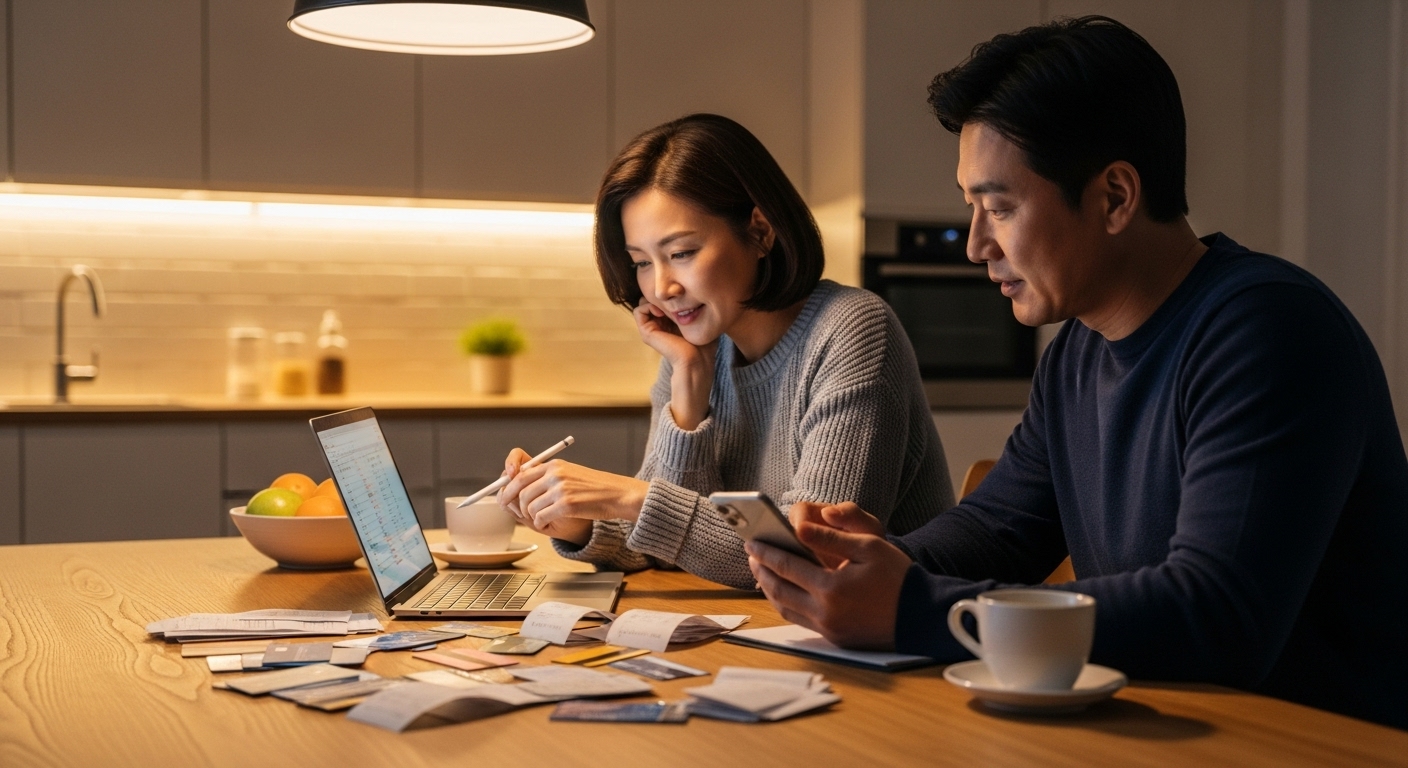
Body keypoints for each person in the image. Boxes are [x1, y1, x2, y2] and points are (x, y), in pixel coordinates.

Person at [745, 17, 1408, 729]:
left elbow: (1219, 616)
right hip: (1168, 734)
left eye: (998, 207)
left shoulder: (1268, 329)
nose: (975, 246)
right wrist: (858, 564)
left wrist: (913, 608)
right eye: (971, 208)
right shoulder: (1079, 351)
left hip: (1317, 745)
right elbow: (999, 530)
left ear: (1116, 197)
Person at [495, 113, 954, 590]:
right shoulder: (694, 352)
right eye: (640, 263)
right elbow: (665, 549)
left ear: (759, 231)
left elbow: (812, 557)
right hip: (766, 626)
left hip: (892, 639)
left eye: (682, 253)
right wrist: (579, 520)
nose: (662, 287)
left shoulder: (851, 329)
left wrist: (629, 497)